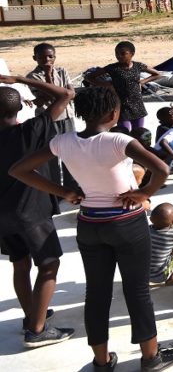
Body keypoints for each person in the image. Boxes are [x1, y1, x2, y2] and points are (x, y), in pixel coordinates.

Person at [10, 86, 173, 370]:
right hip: (126, 222)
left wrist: (64, 192)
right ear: (114, 112)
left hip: (90, 223)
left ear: (80, 112)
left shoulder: (63, 141)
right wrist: (143, 194)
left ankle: (102, 361)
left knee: (97, 292)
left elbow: (18, 170)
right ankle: (151, 356)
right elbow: (162, 170)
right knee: (137, 290)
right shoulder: (119, 140)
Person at [0, 73, 74, 349]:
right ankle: (37, 330)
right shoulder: (29, 131)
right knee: (49, 264)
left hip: (3, 216)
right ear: (20, 108)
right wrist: (19, 78)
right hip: (31, 213)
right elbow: (66, 95)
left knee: (20, 264)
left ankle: (31, 315)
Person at [26, 43, 78, 189]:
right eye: (42, 57)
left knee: (71, 151)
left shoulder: (62, 71)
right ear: (34, 58)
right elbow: (53, 96)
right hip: (49, 120)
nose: (47, 60)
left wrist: (61, 94)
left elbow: (71, 94)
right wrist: (48, 76)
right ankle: (55, 188)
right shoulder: (33, 76)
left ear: (55, 57)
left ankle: (72, 184)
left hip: (67, 118)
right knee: (51, 155)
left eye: (50, 56)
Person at [86, 41, 161, 133]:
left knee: (139, 132)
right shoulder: (112, 68)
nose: (119, 56)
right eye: (116, 53)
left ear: (132, 54)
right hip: (121, 105)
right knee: (123, 132)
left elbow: (157, 74)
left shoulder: (138, 66)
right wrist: (107, 84)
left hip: (137, 104)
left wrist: (142, 82)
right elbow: (89, 77)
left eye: (123, 53)